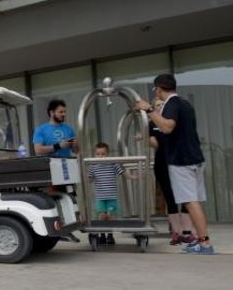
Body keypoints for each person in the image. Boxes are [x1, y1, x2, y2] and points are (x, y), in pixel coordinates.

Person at [135, 74, 213, 254]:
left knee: (191, 203)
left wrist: (148, 110)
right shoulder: (185, 104)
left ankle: (205, 244)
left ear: (158, 89)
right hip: (194, 158)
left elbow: (167, 126)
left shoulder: (172, 104)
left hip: (182, 160)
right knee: (194, 203)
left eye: (155, 89)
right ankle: (202, 240)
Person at [148, 101, 195, 246]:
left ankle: (187, 232)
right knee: (170, 198)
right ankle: (176, 233)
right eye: (157, 105)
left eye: (162, 104)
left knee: (187, 197)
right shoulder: (151, 125)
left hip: (180, 162)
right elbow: (155, 144)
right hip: (162, 163)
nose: (160, 106)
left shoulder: (175, 121)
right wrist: (147, 137)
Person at [86, 142, 138, 245]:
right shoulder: (93, 166)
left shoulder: (113, 163)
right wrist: (86, 177)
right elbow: (90, 179)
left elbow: (123, 174)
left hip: (111, 196)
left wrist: (134, 177)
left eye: (103, 154)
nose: (100, 156)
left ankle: (110, 235)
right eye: (98, 154)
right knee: (101, 216)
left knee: (109, 216)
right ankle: (102, 235)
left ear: (108, 154)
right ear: (94, 155)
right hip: (100, 197)